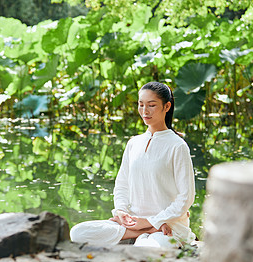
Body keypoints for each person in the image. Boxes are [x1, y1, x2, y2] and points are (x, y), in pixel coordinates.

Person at [70, 81, 196, 248]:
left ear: (167, 107)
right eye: (141, 104)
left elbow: (186, 198)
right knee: (78, 232)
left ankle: (146, 233)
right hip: (133, 223)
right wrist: (121, 212)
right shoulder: (134, 143)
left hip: (168, 227)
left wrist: (154, 221)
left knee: (149, 250)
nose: (145, 111)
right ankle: (140, 234)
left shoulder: (177, 146)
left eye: (151, 105)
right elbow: (122, 185)